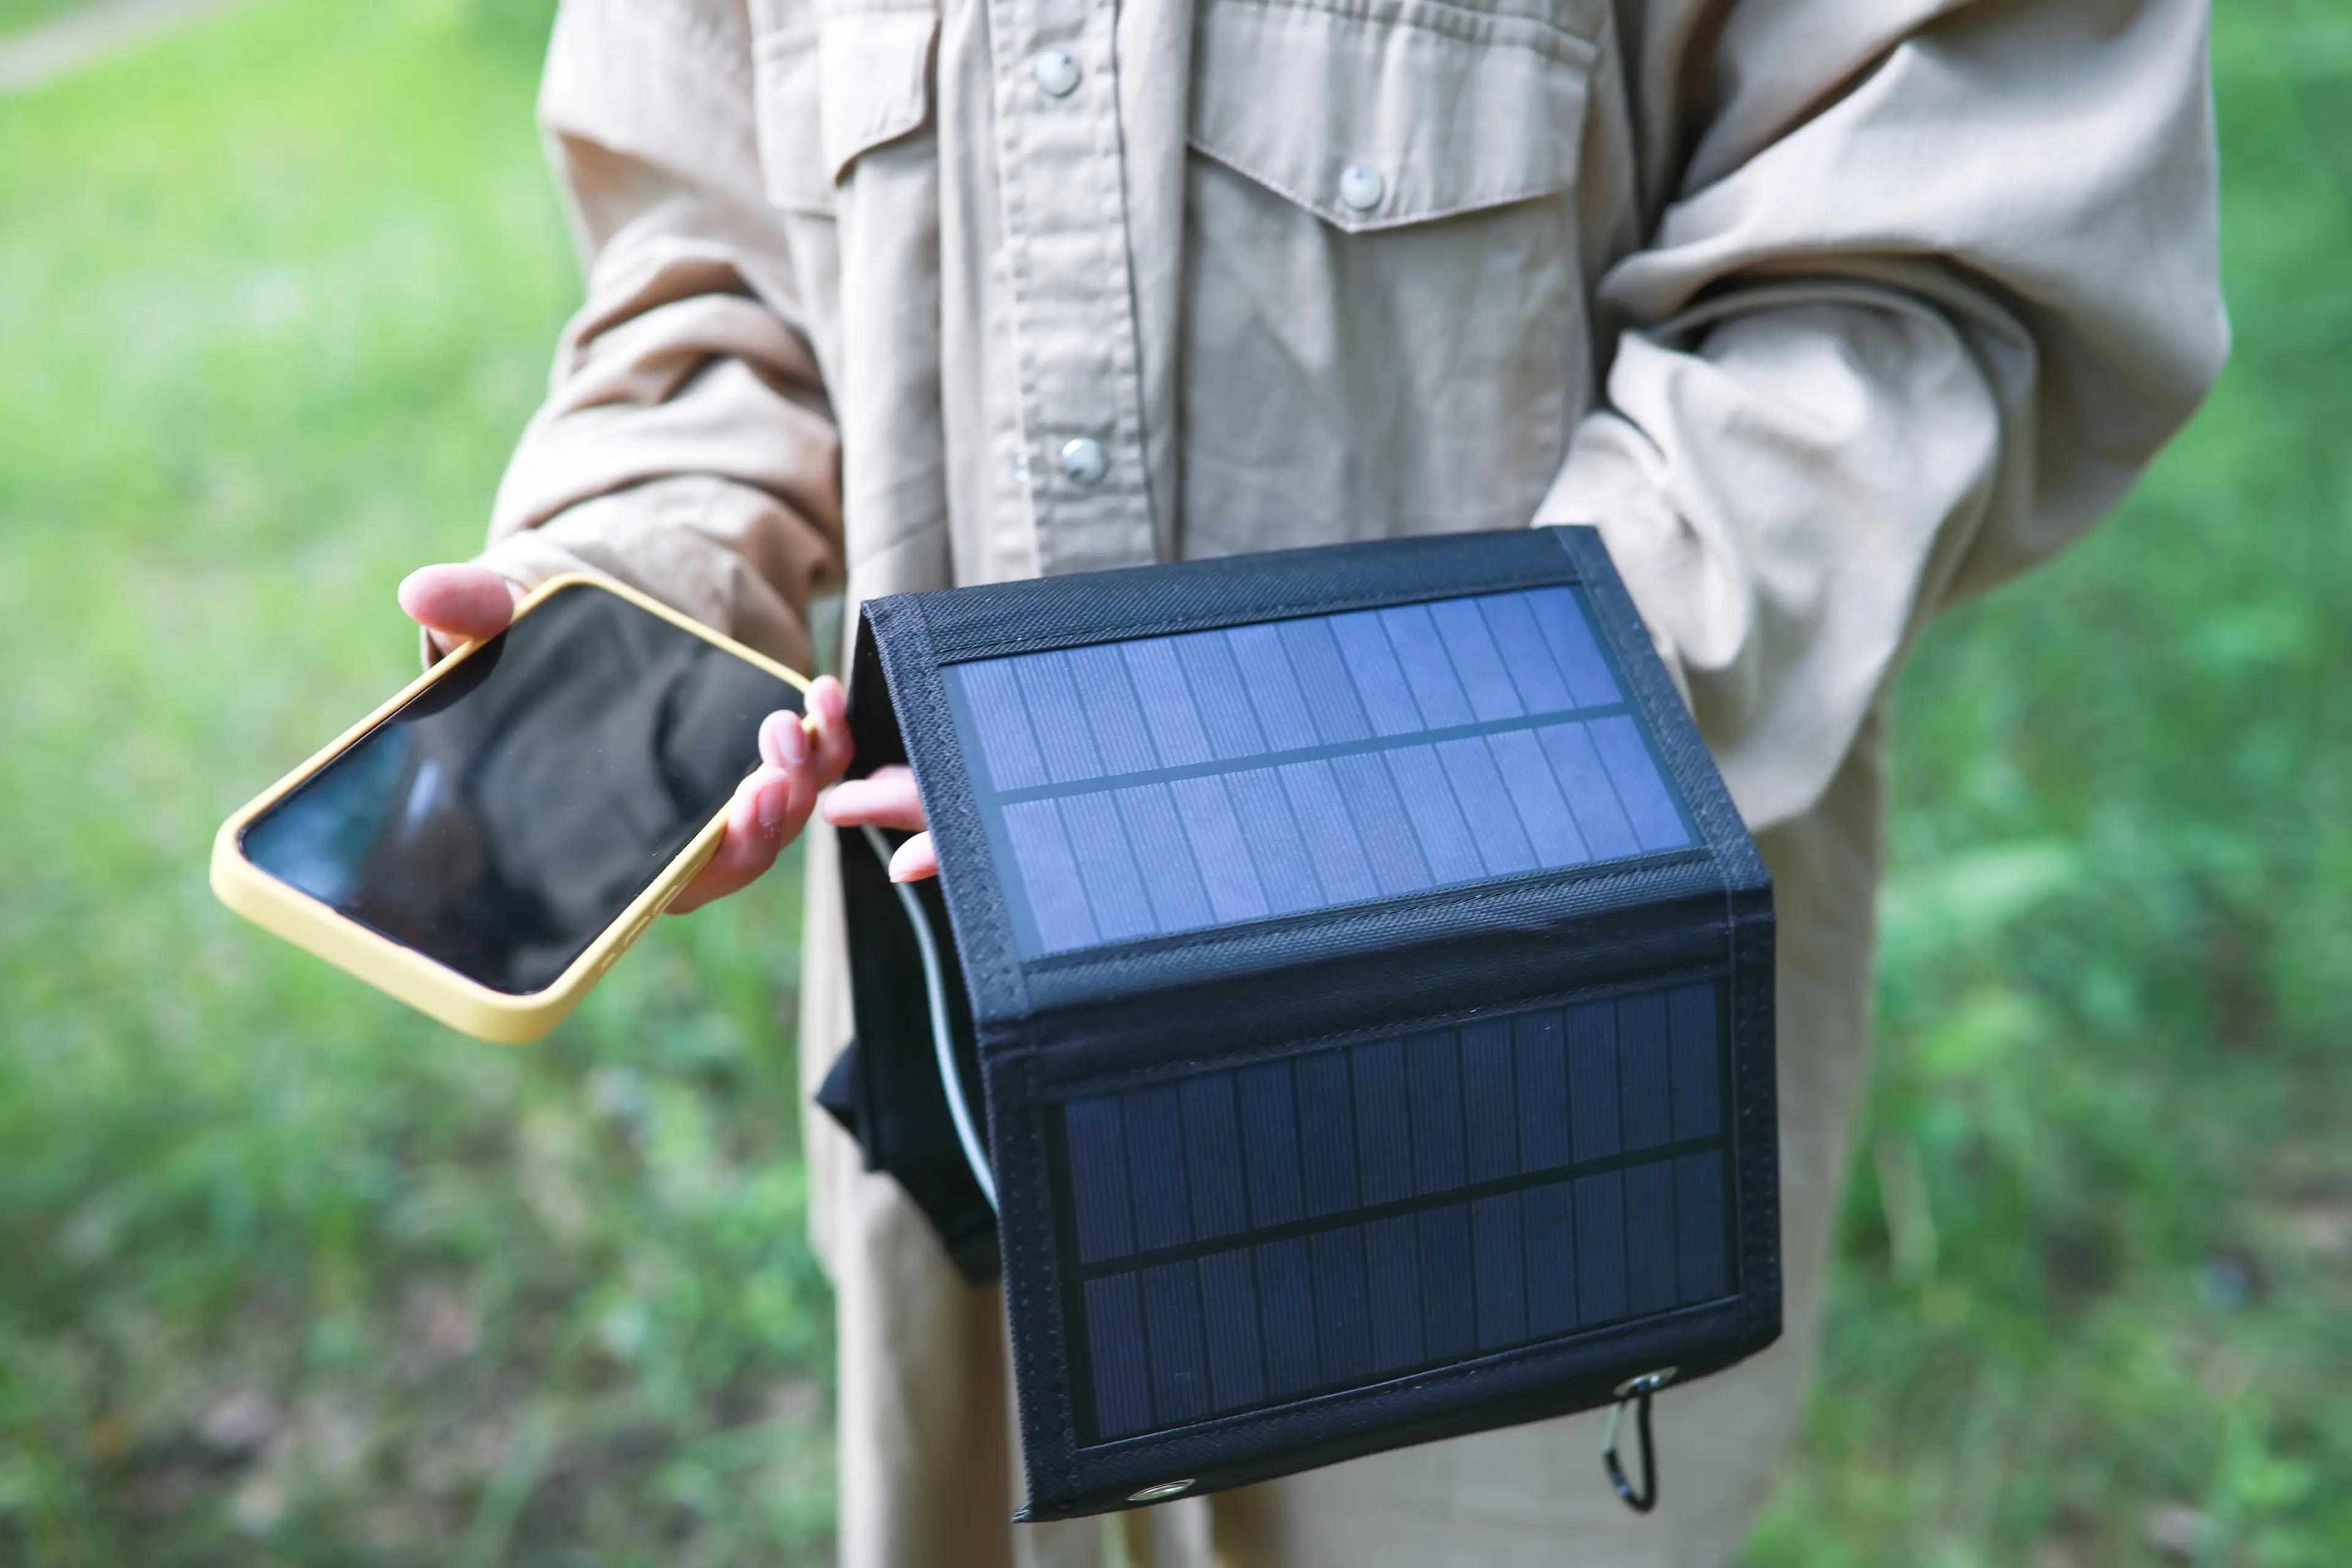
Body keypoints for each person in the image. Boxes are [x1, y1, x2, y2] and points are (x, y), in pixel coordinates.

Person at [398, 0, 2227, 1560]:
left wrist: (1222, 789)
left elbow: (1917, 277)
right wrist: (634, 581)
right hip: (968, 1105)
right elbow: (710, 270)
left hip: (1520, 1112)